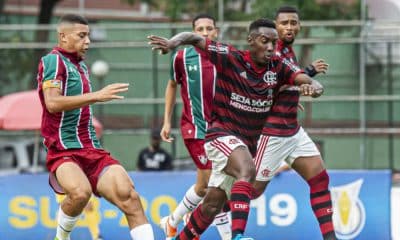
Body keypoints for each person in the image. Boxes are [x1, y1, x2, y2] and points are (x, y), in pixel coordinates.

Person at [148, 18, 323, 240]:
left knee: (211, 205)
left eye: (273, 42)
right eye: (264, 41)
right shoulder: (230, 57)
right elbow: (192, 38)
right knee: (247, 171)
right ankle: (237, 236)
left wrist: (314, 87)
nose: (270, 47)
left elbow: (305, 79)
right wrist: (173, 42)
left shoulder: (278, 66)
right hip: (220, 135)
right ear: (251, 41)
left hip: (246, 144)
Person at [37, 14, 154, 240]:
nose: (88, 41)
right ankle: (61, 238)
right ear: (63, 36)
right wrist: (97, 96)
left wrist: (94, 97)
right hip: (63, 150)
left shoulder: (80, 67)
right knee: (80, 193)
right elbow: (52, 103)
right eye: (82, 36)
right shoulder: (53, 61)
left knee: (129, 197)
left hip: (92, 149)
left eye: (88, 36)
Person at [252, 6, 337, 240]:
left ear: (299, 26)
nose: (289, 27)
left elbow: (285, 81)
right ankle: (196, 220)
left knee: (320, 178)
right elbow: (263, 86)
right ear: (275, 26)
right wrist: (307, 80)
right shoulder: (272, 51)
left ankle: (331, 238)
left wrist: (293, 93)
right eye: (284, 23)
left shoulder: (288, 51)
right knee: (251, 193)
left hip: (293, 132)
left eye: (293, 23)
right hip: (272, 134)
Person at [159, 13, 231, 240]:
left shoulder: (225, 55)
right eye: (199, 29)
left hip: (221, 130)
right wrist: (166, 121)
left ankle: (171, 221)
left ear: (216, 32)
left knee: (202, 187)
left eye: (209, 29)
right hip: (195, 129)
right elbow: (171, 85)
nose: (205, 33)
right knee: (214, 186)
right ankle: (230, 236)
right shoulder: (181, 56)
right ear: (192, 32)